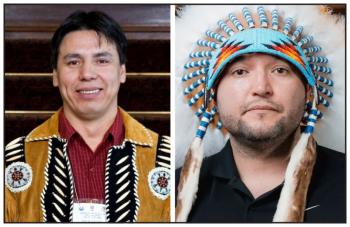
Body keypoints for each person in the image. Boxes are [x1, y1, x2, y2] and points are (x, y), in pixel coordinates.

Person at [175, 5, 345, 223]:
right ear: (213, 97)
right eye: (240, 71)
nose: (261, 87)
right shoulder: (171, 190)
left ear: (309, 94)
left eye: (280, 70)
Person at [5, 10, 170, 222]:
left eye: (102, 61)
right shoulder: (14, 159)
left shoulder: (165, 159)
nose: (87, 74)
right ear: (55, 75)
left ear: (122, 72)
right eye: (73, 62)